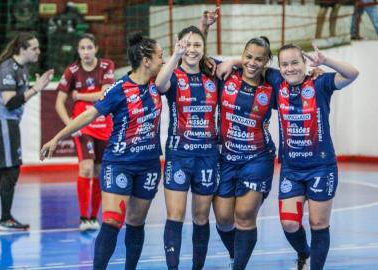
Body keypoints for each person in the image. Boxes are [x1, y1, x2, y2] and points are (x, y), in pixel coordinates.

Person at [40, 31, 164, 270]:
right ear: (146, 60)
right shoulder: (119, 88)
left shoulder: (160, 84)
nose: (163, 60)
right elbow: (88, 114)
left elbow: (188, 61)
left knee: (136, 222)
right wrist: (57, 138)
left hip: (148, 164)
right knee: (112, 221)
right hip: (119, 162)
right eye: (161, 56)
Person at [275, 43, 358, 270]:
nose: (290, 68)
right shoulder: (276, 84)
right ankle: (304, 254)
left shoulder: (320, 83)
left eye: (295, 62)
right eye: (284, 64)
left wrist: (326, 61)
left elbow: (352, 73)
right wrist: (233, 62)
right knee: (290, 223)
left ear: (305, 63)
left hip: (321, 167)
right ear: (279, 67)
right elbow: (249, 66)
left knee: (318, 223)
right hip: (291, 170)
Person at [155, 10, 219, 270]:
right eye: (187, 45)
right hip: (178, 156)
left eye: (197, 45)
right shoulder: (172, 74)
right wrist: (176, 54)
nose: (192, 50)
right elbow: (159, 85)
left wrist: (205, 29)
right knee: (175, 216)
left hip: (207, 156)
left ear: (204, 47)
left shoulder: (212, 73)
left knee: (201, 217)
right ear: (178, 46)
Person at [213, 36, 277, 270]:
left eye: (259, 59)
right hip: (226, 158)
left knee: (244, 215)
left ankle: (239, 265)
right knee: (223, 219)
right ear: (242, 55)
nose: (252, 62)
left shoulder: (273, 85)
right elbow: (195, 58)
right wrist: (231, 61)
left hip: (257, 158)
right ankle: (235, 255)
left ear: (266, 61)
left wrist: (316, 72)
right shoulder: (226, 75)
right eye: (248, 56)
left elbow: (297, 77)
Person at [55, 33, 115, 231]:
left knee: (99, 171)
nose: (86, 52)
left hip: (103, 125)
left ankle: (92, 217)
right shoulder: (72, 70)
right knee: (86, 168)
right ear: (78, 51)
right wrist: (70, 126)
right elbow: (59, 103)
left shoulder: (107, 66)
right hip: (83, 127)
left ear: (96, 48)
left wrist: (79, 95)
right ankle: (83, 218)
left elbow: (106, 94)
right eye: (82, 48)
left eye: (90, 47)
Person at [0, 32, 54, 231]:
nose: (38, 51)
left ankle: (5, 217)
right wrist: (36, 89)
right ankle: (5, 219)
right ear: (22, 49)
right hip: (3, 123)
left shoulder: (22, 68)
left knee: (7, 170)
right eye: (34, 48)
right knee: (11, 169)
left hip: (10, 122)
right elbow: (10, 102)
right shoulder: (7, 68)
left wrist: (35, 87)